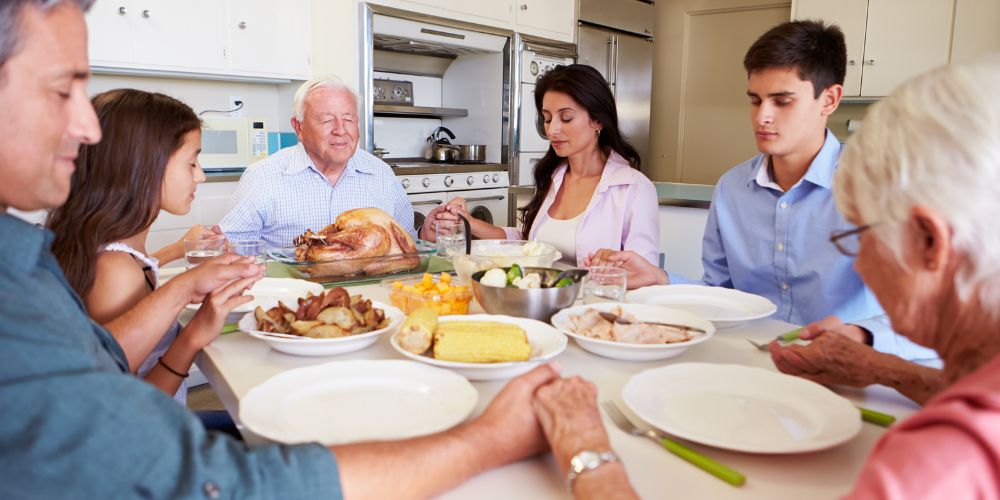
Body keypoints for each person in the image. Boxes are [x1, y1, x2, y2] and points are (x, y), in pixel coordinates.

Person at [0, 3, 626, 498]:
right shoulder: (258, 181)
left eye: (350, 120)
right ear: (300, 127)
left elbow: (407, 254)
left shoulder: (30, 265)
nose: (84, 127)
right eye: (61, 91)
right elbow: (190, 474)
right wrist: (487, 441)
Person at [540, 59, 1000, 499]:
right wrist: (880, 369)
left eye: (859, 235)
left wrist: (584, 449)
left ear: (930, 242)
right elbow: (720, 294)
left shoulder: (949, 456)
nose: (857, 264)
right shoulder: (732, 188)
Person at [588, 21, 934, 361]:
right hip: (749, 361)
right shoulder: (732, 189)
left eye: (782, 102)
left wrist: (861, 335)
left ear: (829, 99)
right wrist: (661, 278)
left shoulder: (882, 188)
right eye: (755, 100)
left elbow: (933, 316)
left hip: (849, 369)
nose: (762, 117)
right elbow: (722, 297)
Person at [45, 89, 252, 406]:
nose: (201, 176)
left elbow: (134, 275)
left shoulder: (110, 251)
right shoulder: (115, 271)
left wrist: (175, 249)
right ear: (145, 167)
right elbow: (126, 410)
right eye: (192, 162)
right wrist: (193, 334)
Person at [422, 64, 659, 267]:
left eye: (566, 118)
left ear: (597, 120)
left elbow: (644, 274)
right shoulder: (553, 176)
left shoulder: (633, 188)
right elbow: (527, 243)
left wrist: (610, 266)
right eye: (547, 118)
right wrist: (469, 223)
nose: (552, 130)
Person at [219, 77, 415, 248]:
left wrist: (426, 234)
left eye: (348, 119)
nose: (340, 130)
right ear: (298, 128)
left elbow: (409, 243)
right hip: (292, 290)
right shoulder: (262, 177)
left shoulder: (381, 173)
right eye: (326, 120)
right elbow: (232, 248)